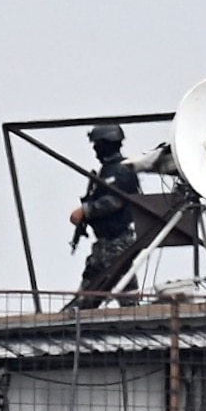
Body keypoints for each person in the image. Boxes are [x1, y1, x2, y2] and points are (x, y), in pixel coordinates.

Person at [68, 122, 143, 306]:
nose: (95, 149)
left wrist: (85, 211)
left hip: (118, 241)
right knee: (88, 293)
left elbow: (115, 201)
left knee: (125, 291)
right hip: (104, 244)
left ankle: (136, 322)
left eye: (97, 145)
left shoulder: (122, 170)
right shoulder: (105, 172)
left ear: (107, 143)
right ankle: (75, 318)